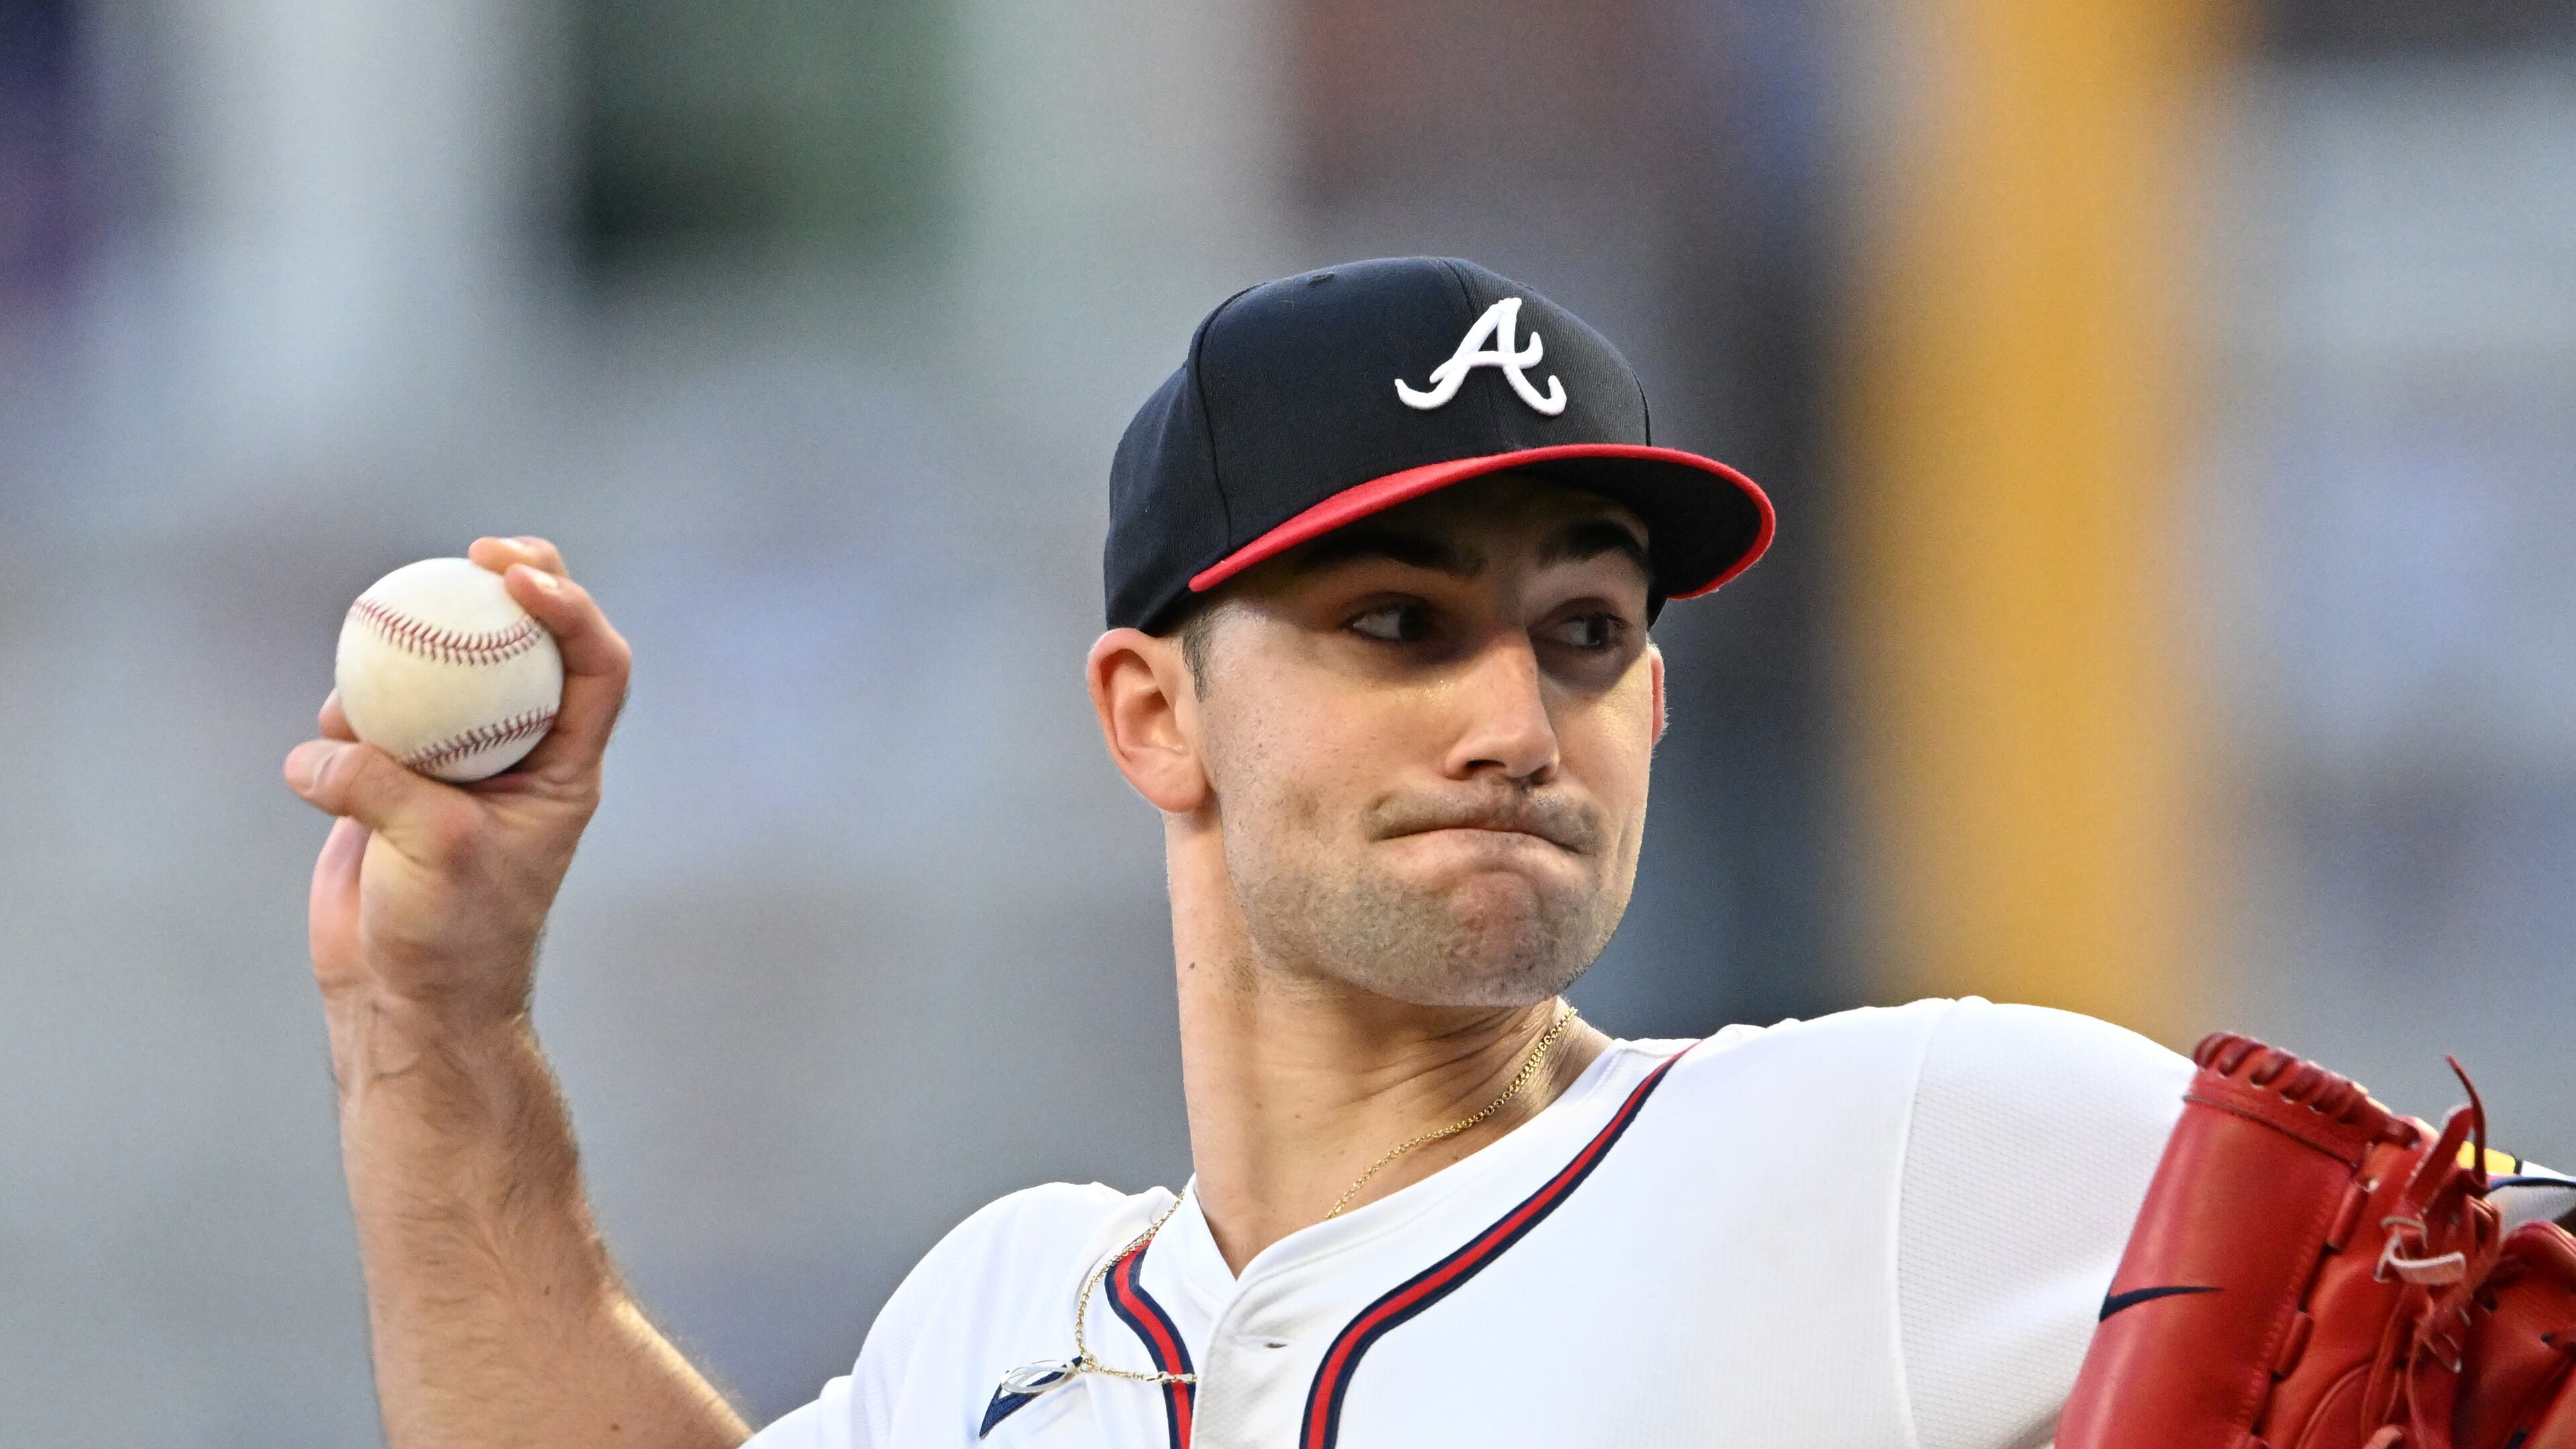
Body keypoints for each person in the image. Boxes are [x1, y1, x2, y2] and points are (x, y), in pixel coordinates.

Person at [280, 257, 2569, 1449]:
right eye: (1399, 625)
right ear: (1151, 712)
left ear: (1656, 706)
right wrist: (432, 1029)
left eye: (1586, 633)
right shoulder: (1011, 1321)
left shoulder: (1892, 1154)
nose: (1513, 719)